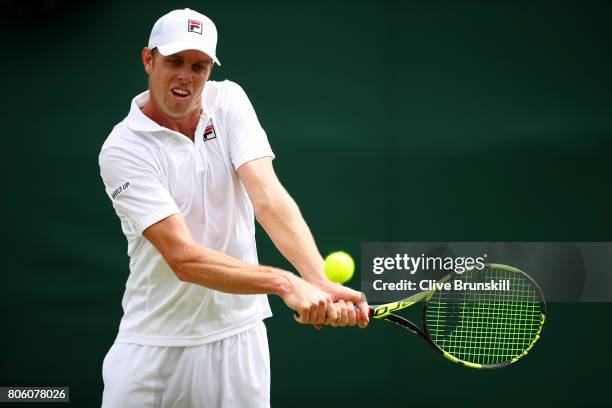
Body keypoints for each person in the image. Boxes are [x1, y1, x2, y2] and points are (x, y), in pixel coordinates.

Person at [98, 8, 368, 407]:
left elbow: (268, 197)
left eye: (199, 66)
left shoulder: (229, 102)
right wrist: (287, 283)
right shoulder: (123, 149)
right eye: (174, 62)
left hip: (239, 343)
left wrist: (319, 278)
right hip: (153, 347)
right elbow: (183, 258)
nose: (186, 77)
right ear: (148, 59)